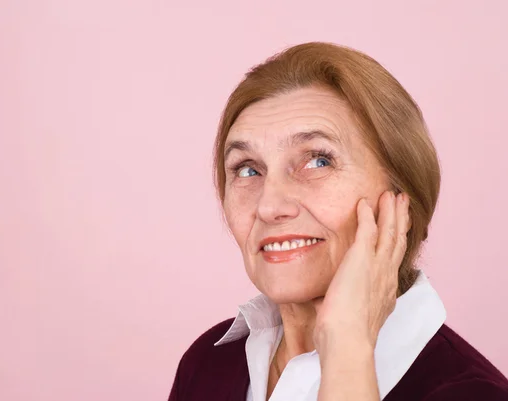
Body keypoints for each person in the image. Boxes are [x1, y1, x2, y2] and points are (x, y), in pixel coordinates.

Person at [167, 42, 508, 401]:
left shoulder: (472, 393)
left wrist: (348, 349)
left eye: (318, 161)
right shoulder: (208, 362)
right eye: (247, 169)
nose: (269, 206)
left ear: (400, 193)